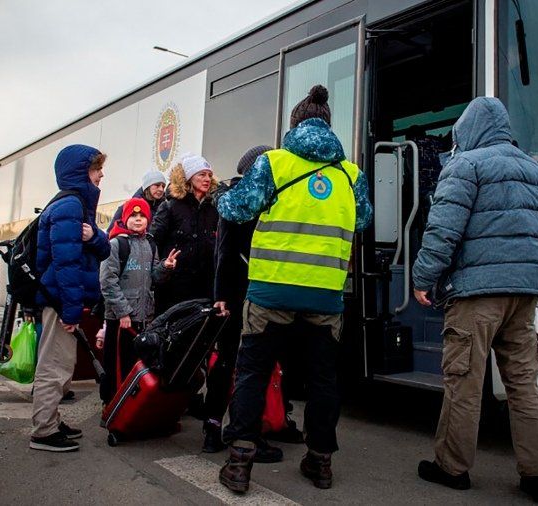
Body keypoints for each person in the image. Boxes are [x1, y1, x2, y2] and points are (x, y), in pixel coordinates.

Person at [217, 84, 373, 493]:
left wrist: (222, 192)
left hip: (271, 292)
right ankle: (319, 462)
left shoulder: (274, 163)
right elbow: (362, 220)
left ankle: (239, 463)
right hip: (325, 295)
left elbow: (236, 208)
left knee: (253, 372)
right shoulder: (351, 174)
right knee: (323, 380)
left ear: (294, 124)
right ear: (328, 125)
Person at [411, 97, 538, 503]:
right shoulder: (536, 172)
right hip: (525, 293)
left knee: (464, 381)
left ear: (468, 130)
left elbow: (443, 231)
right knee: (524, 384)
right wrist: (525, 276)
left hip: (477, 295)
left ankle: (452, 467)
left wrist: (423, 278)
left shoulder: (465, 165)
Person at [203, 144, 302, 459]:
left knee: (267, 360)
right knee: (237, 361)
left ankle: (272, 421)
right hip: (240, 293)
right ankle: (219, 426)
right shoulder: (240, 198)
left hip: (263, 291)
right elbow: (225, 251)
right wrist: (221, 296)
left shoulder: (268, 195)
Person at [29, 144, 111, 452]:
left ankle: (52, 419)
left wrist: (94, 236)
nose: (101, 175)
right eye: (96, 169)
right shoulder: (70, 206)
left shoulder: (77, 205)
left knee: (64, 363)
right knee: (55, 365)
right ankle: (44, 431)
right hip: (59, 301)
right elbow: (66, 265)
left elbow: (103, 249)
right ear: (80, 172)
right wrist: (71, 311)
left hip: (63, 300)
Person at [98, 196, 178, 403]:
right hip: (120, 320)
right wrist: (123, 312)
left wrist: (165, 267)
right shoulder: (116, 244)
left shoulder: (150, 244)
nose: (138, 219)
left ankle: (131, 405)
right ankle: (112, 405)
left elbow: (154, 277)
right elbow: (107, 281)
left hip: (143, 318)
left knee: (135, 365)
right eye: (133, 216)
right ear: (125, 219)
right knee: (116, 366)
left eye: (142, 215)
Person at [148, 154, 218, 313]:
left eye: (209, 175)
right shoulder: (170, 206)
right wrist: (162, 267)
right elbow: (152, 243)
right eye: (202, 174)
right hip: (173, 287)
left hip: (204, 286)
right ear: (188, 178)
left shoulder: (213, 209)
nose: (207, 179)